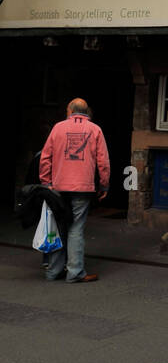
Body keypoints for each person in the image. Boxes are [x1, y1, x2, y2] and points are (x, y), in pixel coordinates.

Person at [39, 98, 110, 283]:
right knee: (76, 228)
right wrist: (104, 185)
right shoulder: (95, 129)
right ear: (87, 111)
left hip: (58, 187)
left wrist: (46, 182)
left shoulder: (58, 128)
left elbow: (45, 157)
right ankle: (75, 272)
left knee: (58, 227)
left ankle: (53, 271)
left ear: (70, 110)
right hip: (83, 187)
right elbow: (103, 162)